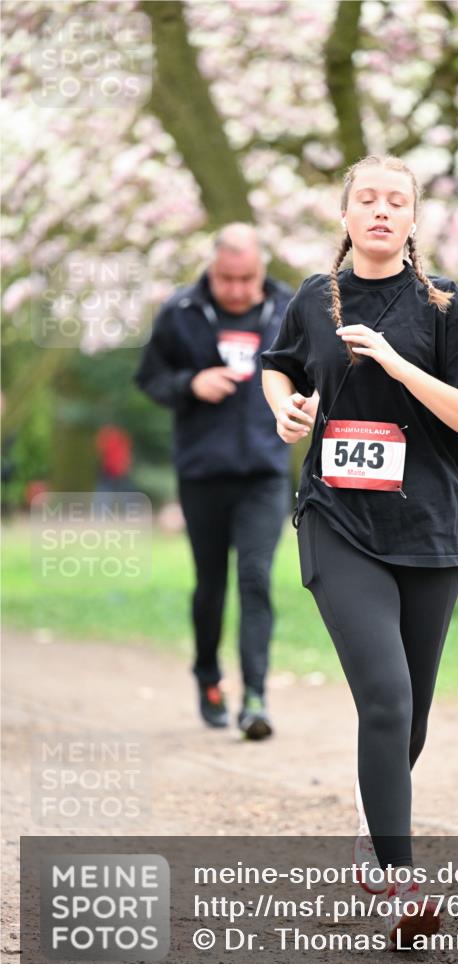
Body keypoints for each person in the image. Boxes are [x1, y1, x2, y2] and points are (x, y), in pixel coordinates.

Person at [260, 155, 458, 946]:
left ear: (410, 220)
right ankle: (401, 882)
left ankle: (373, 834)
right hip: (337, 521)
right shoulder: (312, 297)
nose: (379, 210)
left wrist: (398, 364)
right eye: (365, 198)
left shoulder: (441, 306)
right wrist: (288, 412)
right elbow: (279, 367)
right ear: (345, 214)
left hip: (429, 528)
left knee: (411, 721)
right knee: (386, 697)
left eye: (394, 201)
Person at [135, 224, 296, 739]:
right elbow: (149, 377)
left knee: (255, 579)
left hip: (265, 474)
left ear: (261, 268)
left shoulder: (289, 310)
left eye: (247, 278)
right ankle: (207, 675)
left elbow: (316, 371)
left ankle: (255, 697)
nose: (237, 289)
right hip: (203, 473)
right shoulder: (181, 311)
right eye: (227, 278)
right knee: (211, 585)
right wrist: (190, 383)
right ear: (212, 268)